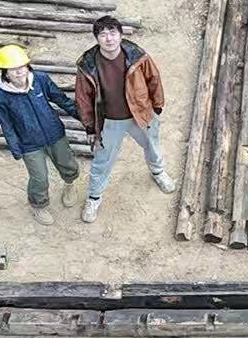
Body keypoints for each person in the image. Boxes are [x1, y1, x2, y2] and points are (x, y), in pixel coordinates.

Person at [72, 16, 175, 223]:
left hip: (140, 113)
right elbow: (83, 98)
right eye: (102, 34)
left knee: (152, 145)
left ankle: (158, 172)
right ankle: (94, 196)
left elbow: (153, 79)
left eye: (112, 33)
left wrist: (157, 106)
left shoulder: (137, 56)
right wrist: (91, 127)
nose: (108, 39)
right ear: (96, 38)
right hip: (109, 121)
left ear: (120, 35)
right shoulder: (87, 64)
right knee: (102, 160)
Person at [0, 44, 83, 227]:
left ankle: (70, 185)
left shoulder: (40, 79)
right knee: (39, 177)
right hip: (29, 144)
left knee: (68, 165)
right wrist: (15, 147)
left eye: (21, 67)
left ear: (28, 66)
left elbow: (60, 99)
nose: (19, 72)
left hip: (54, 133)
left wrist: (82, 116)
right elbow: (6, 124)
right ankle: (39, 205)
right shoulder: (1, 96)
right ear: (5, 72)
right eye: (13, 69)